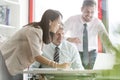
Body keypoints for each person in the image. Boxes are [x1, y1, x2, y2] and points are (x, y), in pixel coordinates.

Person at [0, 9, 70, 80]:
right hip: (4, 59)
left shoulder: (41, 33)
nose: (59, 26)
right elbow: (37, 56)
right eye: (58, 23)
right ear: (50, 22)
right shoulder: (34, 31)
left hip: (14, 65)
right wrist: (58, 65)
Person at [64, 0, 115, 69]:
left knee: (91, 75)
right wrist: (69, 39)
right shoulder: (72, 19)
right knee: (77, 74)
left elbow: (106, 40)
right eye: (87, 11)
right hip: (76, 52)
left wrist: (115, 55)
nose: (89, 15)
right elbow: (59, 34)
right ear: (81, 9)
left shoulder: (97, 22)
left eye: (92, 12)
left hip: (92, 54)